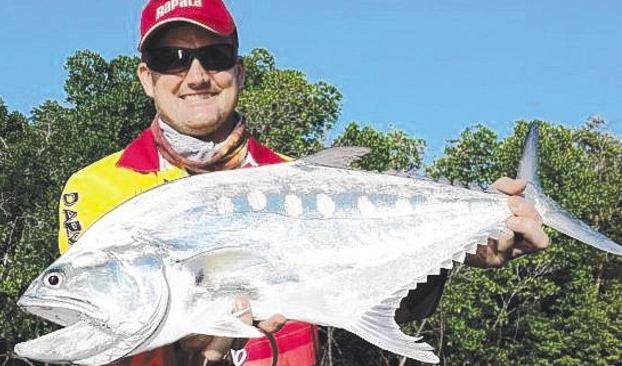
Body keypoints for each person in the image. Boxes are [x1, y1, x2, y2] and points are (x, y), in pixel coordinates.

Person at [57, 0, 549, 365]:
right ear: (147, 77)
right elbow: (107, 321)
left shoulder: (307, 180)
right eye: (172, 58)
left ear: (239, 70)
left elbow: (373, 297)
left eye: (215, 55)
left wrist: (461, 250)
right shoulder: (99, 188)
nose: (197, 74)